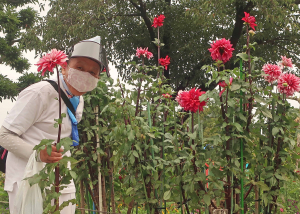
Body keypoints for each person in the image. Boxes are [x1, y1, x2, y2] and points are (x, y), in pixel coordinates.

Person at [0, 36, 108, 214]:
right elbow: (4, 135)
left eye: (92, 72)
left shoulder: (78, 100)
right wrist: (37, 154)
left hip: (61, 182)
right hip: (29, 181)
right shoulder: (40, 92)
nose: (85, 75)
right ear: (64, 67)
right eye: (79, 67)